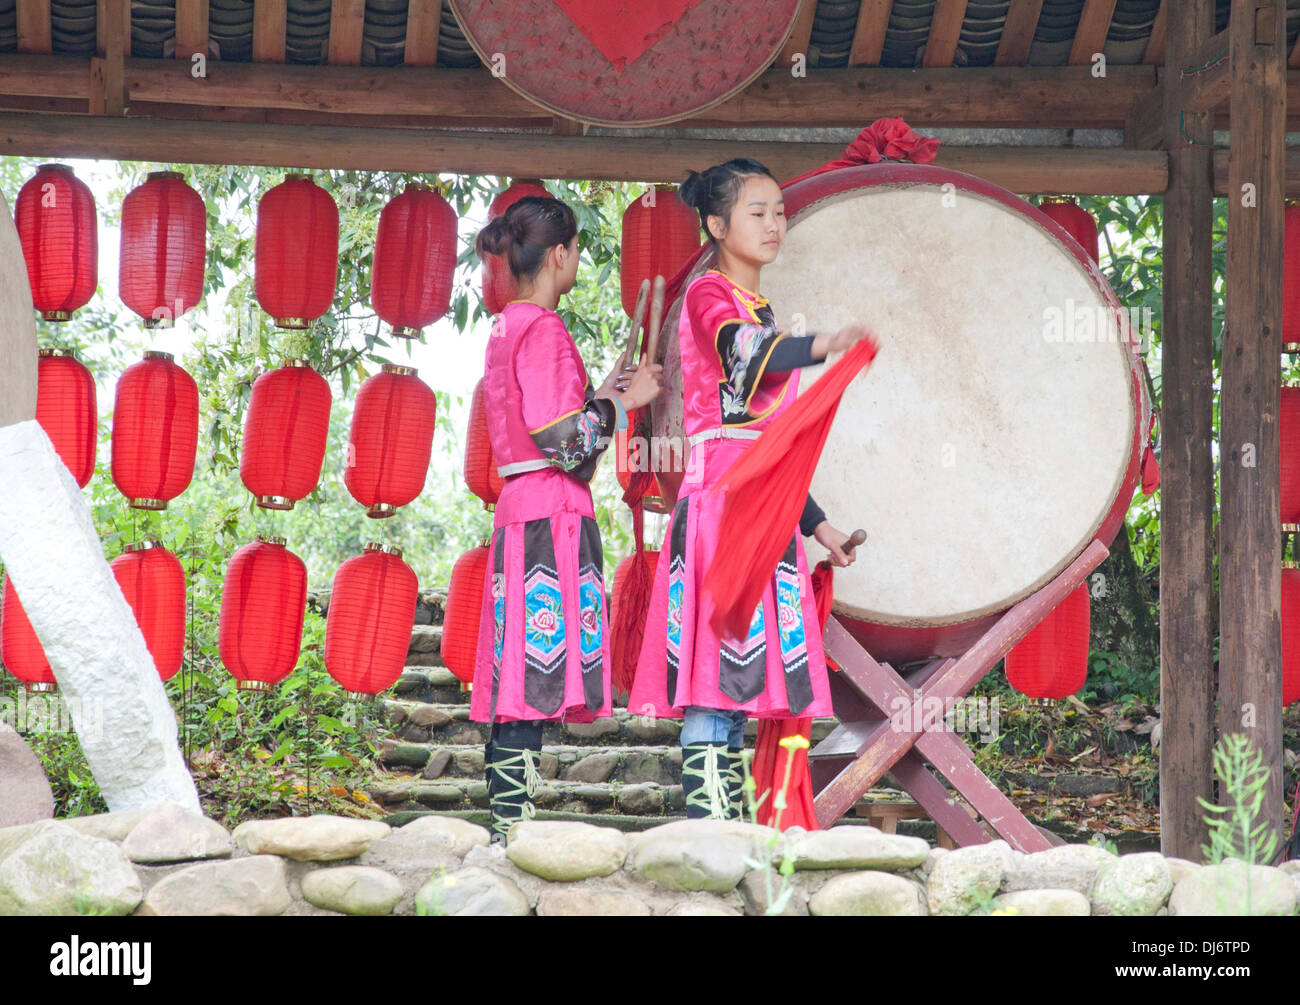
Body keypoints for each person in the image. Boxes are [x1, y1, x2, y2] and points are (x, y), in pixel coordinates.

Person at [630, 158, 872, 820]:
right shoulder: (712, 295)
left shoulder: (755, 304)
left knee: (739, 677)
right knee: (715, 678)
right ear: (715, 224)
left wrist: (818, 525)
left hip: (761, 505)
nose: (774, 224)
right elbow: (749, 355)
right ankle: (710, 835)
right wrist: (823, 343)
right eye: (756, 212)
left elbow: (773, 443)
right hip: (721, 506)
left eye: (779, 212)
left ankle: (728, 832)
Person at [469, 195, 663, 843]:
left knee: (517, 674)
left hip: (519, 510)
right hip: (551, 513)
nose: (577, 259)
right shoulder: (545, 329)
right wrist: (618, 407)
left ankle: (506, 824)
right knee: (529, 677)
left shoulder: (505, 326)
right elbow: (567, 444)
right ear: (560, 255)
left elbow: (550, 423)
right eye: (577, 249)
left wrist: (603, 393)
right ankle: (510, 832)